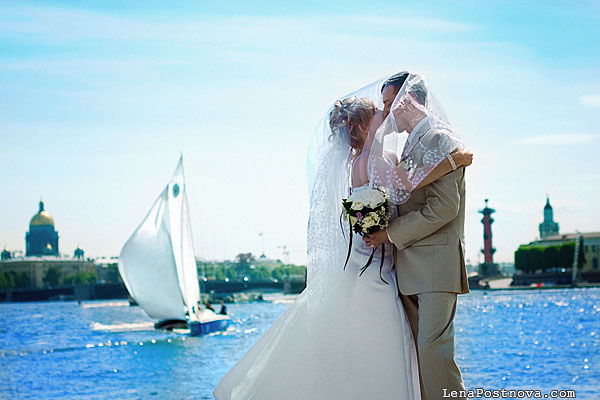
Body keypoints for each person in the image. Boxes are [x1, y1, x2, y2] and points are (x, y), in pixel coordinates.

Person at [213, 72, 472, 400]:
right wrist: (454, 160)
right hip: (386, 262)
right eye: (380, 111)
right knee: (411, 348)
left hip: (388, 261)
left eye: (388, 105)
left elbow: (423, 198)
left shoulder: (365, 159)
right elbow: (403, 186)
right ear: (364, 126)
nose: (385, 114)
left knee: (419, 349)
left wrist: (451, 159)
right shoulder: (381, 157)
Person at [364, 72, 469, 400]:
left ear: (408, 99)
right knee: (421, 359)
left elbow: (444, 208)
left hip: (436, 266)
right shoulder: (410, 143)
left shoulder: (438, 138)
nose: (384, 113)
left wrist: (389, 234)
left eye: (388, 104)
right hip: (409, 268)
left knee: (435, 355)